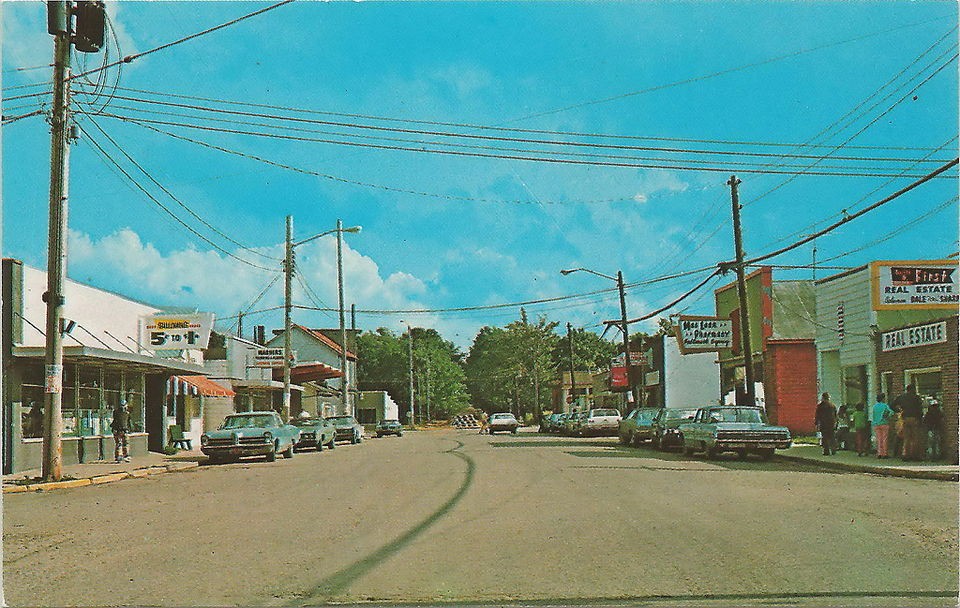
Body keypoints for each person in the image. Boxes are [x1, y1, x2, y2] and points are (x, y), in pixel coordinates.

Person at [894, 384, 924, 461]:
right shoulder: (916, 398)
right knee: (915, 438)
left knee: (906, 438)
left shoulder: (902, 397)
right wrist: (920, 419)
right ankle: (914, 455)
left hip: (905, 418)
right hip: (914, 419)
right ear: (913, 389)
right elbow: (920, 409)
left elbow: (892, 405)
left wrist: (900, 411)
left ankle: (905, 455)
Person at [872, 393, 895, 459]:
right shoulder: (885, 405)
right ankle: (884, 453)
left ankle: (879, 453)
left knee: (879, 439)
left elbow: (873, 415)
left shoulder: (875, 406)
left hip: (876, 424)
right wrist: (888, 416)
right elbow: (891, 412)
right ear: (883, 398)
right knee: (884, 438)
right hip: (884, 423)